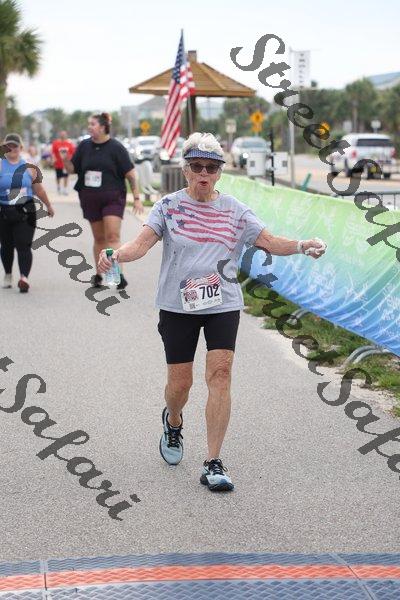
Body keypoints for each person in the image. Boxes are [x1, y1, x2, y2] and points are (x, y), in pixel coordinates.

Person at [97, 132, 327, 492]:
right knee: (180, 384)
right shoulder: (169, 206)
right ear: (186, 170)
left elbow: (269, 242)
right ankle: (174, 420)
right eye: (197, 166)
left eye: (211, 167)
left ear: (219, 172)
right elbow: (141, 245)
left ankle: (213, 461)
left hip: (223, 303)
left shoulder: (235, 210)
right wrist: (115, 255)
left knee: (220, 374)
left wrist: (302, 245)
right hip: (177, 305)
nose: (204, 173)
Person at [61, 112, 143, 289]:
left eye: (93, 124)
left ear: (103, 127)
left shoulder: (116, 147)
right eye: (89, 124)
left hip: (113, 197)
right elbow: (71, 170)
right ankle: (99, 275)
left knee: (112, 236)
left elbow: (130, 174)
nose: (89, 127)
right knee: (99, 238)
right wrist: (65, 159)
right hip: (90, 198)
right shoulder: (84, 146)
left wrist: (137, 198)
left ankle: (117, 274)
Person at [0, 133, 55, 292]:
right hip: (4, 210)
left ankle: (24, 278)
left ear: (21, 147)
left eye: (15, 146)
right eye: (9, 146)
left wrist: (48, 205)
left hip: (25, 211)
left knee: (24, 245)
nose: (12, 149)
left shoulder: (29, 167)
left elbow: (39, 189)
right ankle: (8, 274)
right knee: (6, 246)